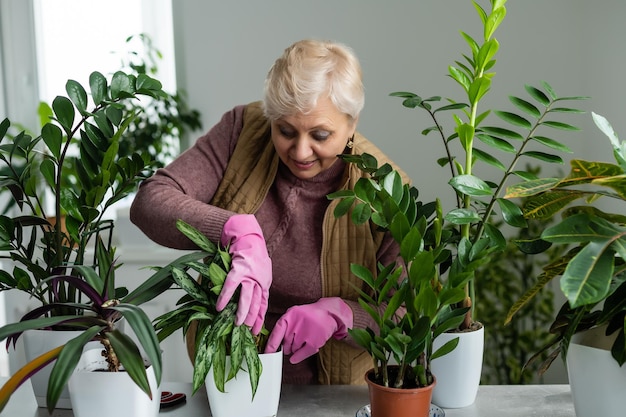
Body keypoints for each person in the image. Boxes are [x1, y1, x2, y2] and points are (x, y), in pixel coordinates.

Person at [130, 39, 409, 385]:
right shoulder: (243, 131)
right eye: (286, 130)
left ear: (352, 123)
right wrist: (234, 229)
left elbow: (401, 314)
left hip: (331, 394)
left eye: (320, 135)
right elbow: (150, 201)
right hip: (229, 377)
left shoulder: (388, 189)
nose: (301, 151)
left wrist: (343, 316)